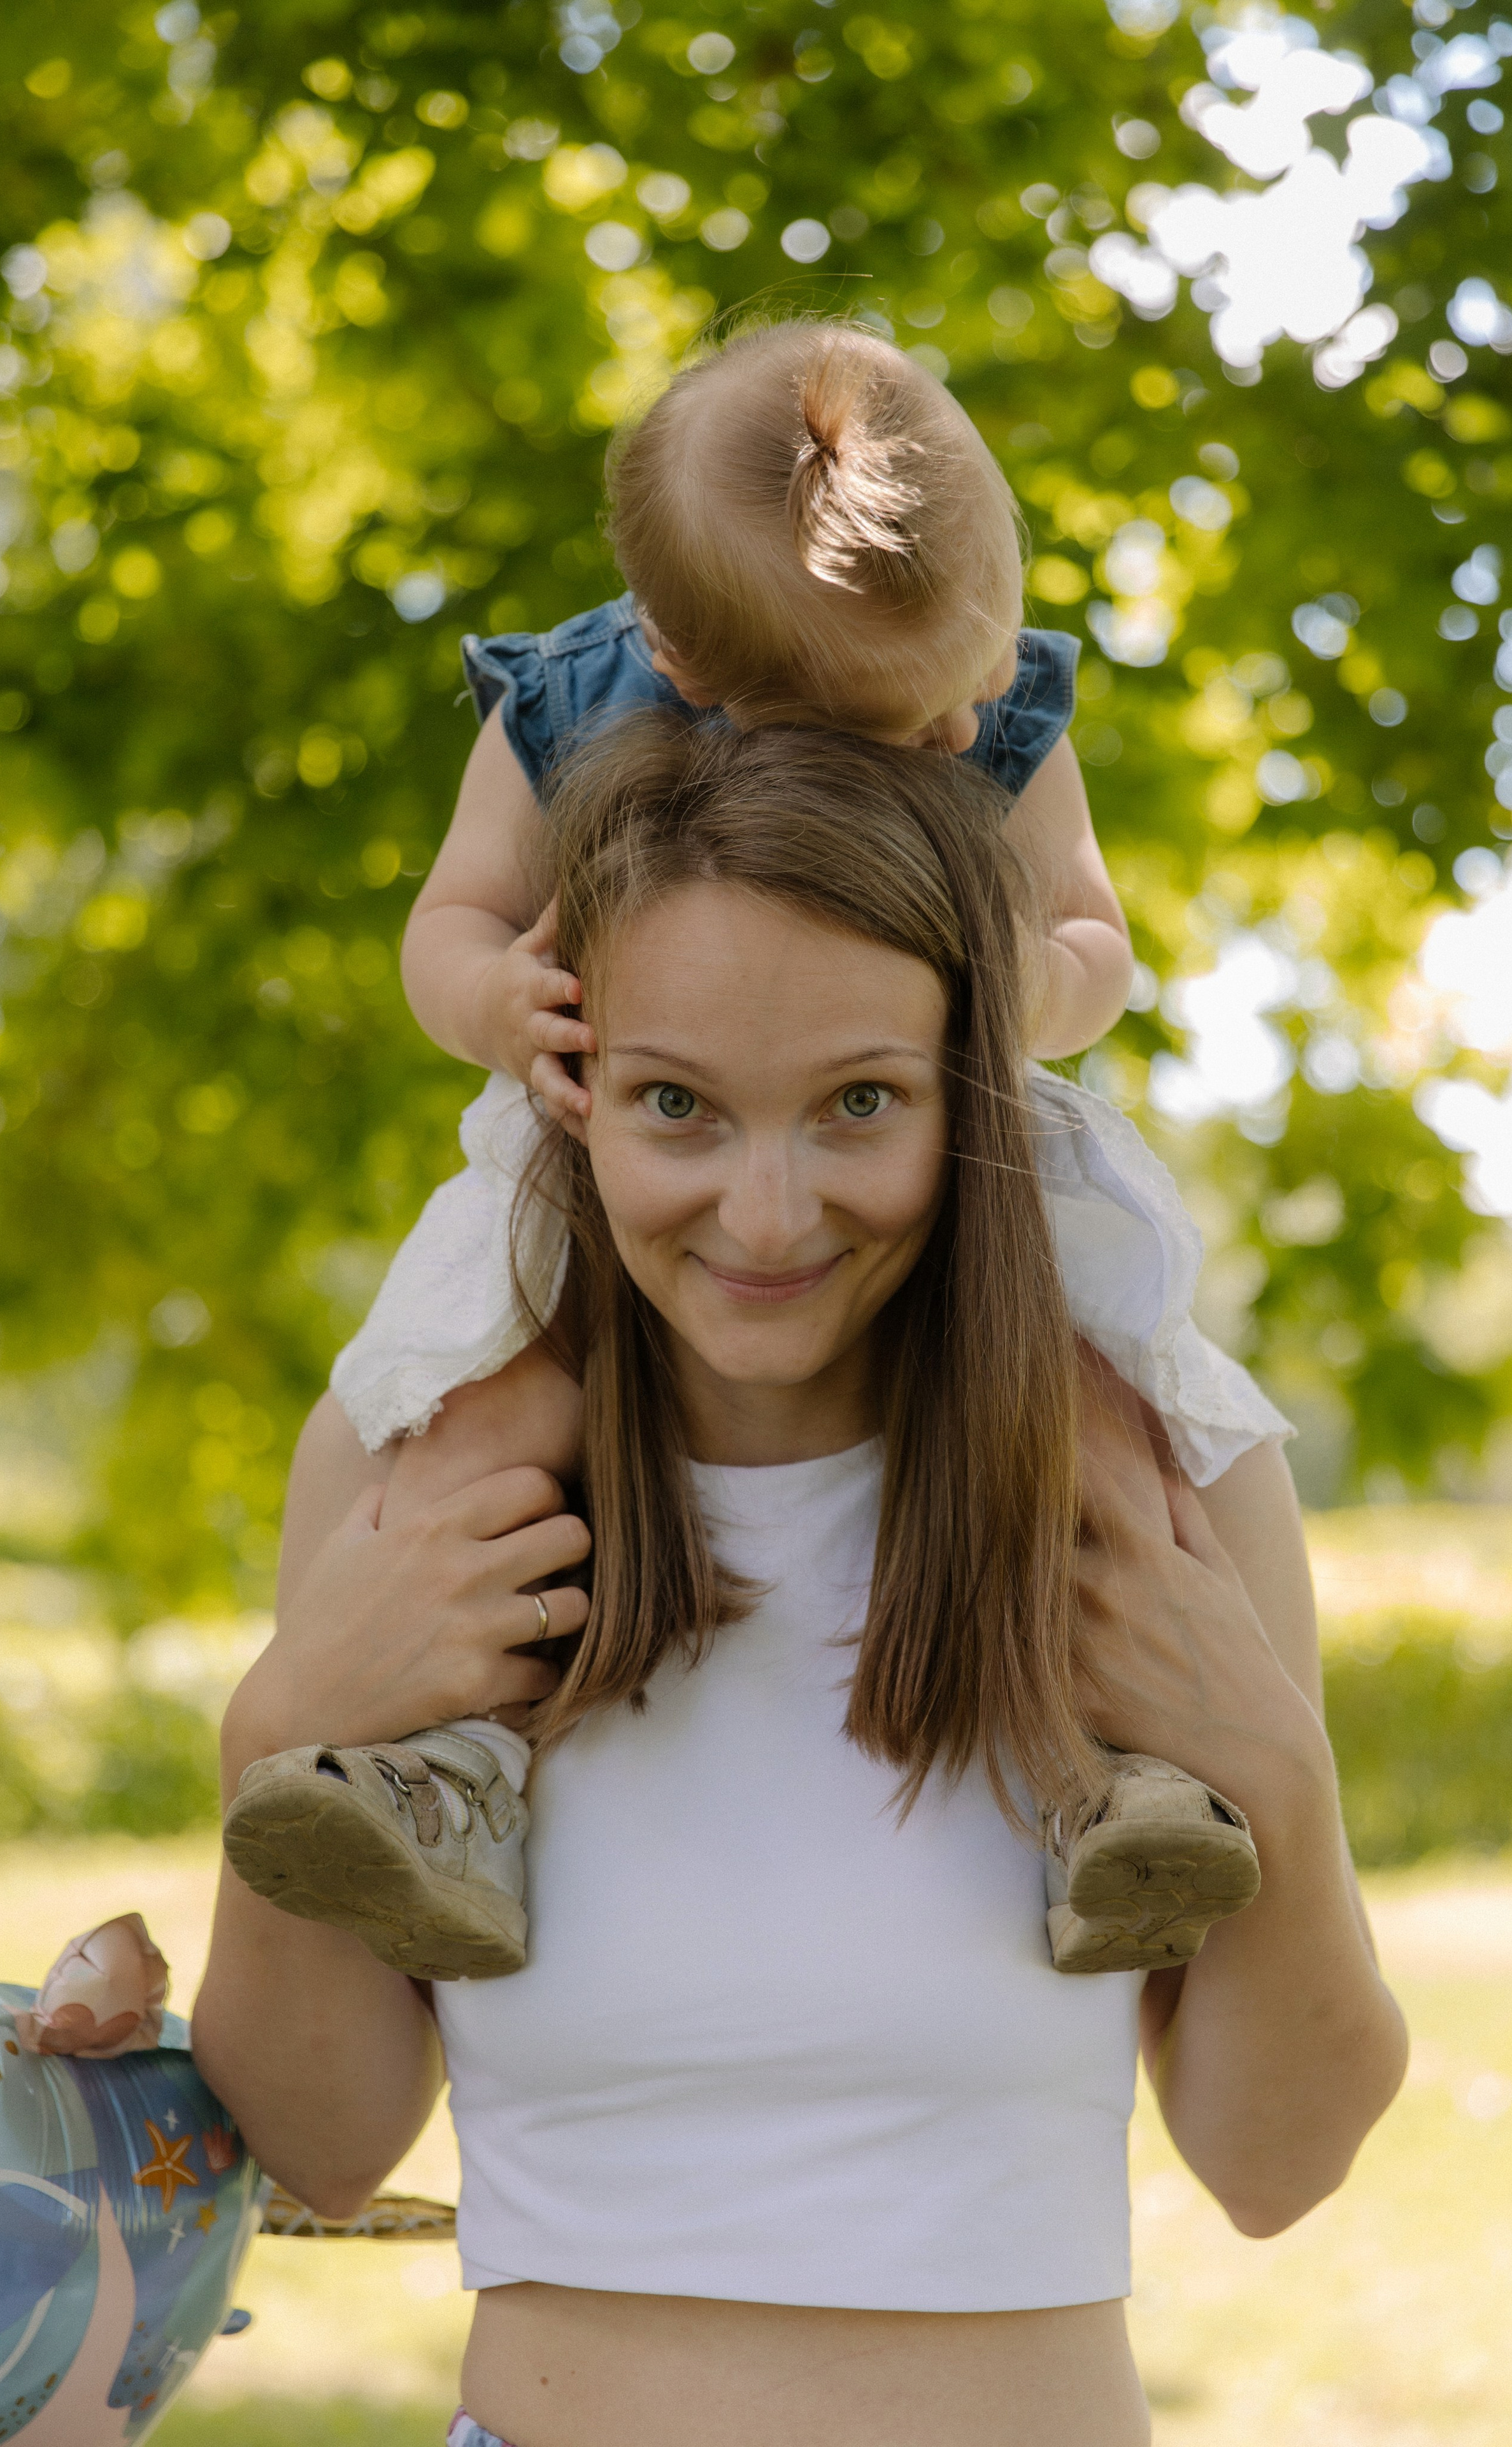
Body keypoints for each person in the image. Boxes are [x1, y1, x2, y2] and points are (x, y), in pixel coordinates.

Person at [194, 717, 1406, 2447]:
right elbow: (320, 2143)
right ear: (571, 1084)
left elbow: (1277, 2164)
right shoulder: (422, 1474)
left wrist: (1276, 1774)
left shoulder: (1156, 1484)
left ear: (971, 1091)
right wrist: (289, 1722)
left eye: (860, 1103)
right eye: (675, 1103)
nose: (765, 1217)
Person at [220, 319, 1292, 1981]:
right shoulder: (565, 707)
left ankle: (1121, 1789)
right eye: (903, 729)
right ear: (692, 671)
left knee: (1098, 1394)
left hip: (950, 1109)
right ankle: (443, 1779)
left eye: (961, 701)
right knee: (474, 1399)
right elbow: (450, 924)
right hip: (600, 1118)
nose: (955, 741)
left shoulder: (972, 683)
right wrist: (502, 1000)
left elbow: (1097, 936)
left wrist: (1021, 985)